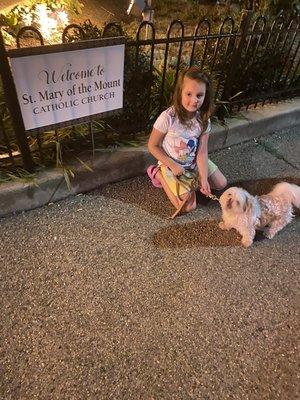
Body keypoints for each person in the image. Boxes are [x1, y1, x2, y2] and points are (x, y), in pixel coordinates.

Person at [147, 66, 227, 217]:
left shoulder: (203, 119)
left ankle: (193, 179)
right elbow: (152, 145)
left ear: (206, 96)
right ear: (180, 93)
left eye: (199, 95)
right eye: (188, 94)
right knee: (188, 207)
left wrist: (203, 178)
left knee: (221, 184)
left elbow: (202, 151)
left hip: (193, 161)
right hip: (172, 164)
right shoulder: (168, 118)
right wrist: (172, 164)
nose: (194, 100)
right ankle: (158, 174)